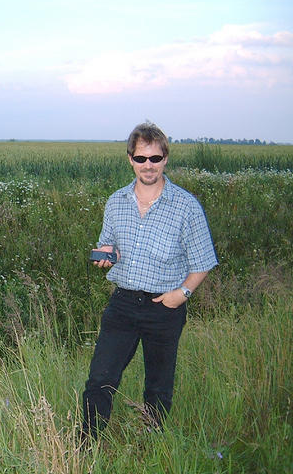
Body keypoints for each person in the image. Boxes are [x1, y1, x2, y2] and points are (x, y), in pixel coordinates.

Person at [81, 122, 218, 439]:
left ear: (165, 159)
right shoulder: (116, 202)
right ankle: (87, 443)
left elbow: (203, 261)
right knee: (100, 378)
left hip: (164, 306)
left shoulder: (186, 206)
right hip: (123, 304)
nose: (148, 166)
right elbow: (109, 243)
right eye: (141, 158)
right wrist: (106, 253)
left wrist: (181, 294)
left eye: (155, 158)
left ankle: (152, 445)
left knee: (158, 385)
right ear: (130, 158)